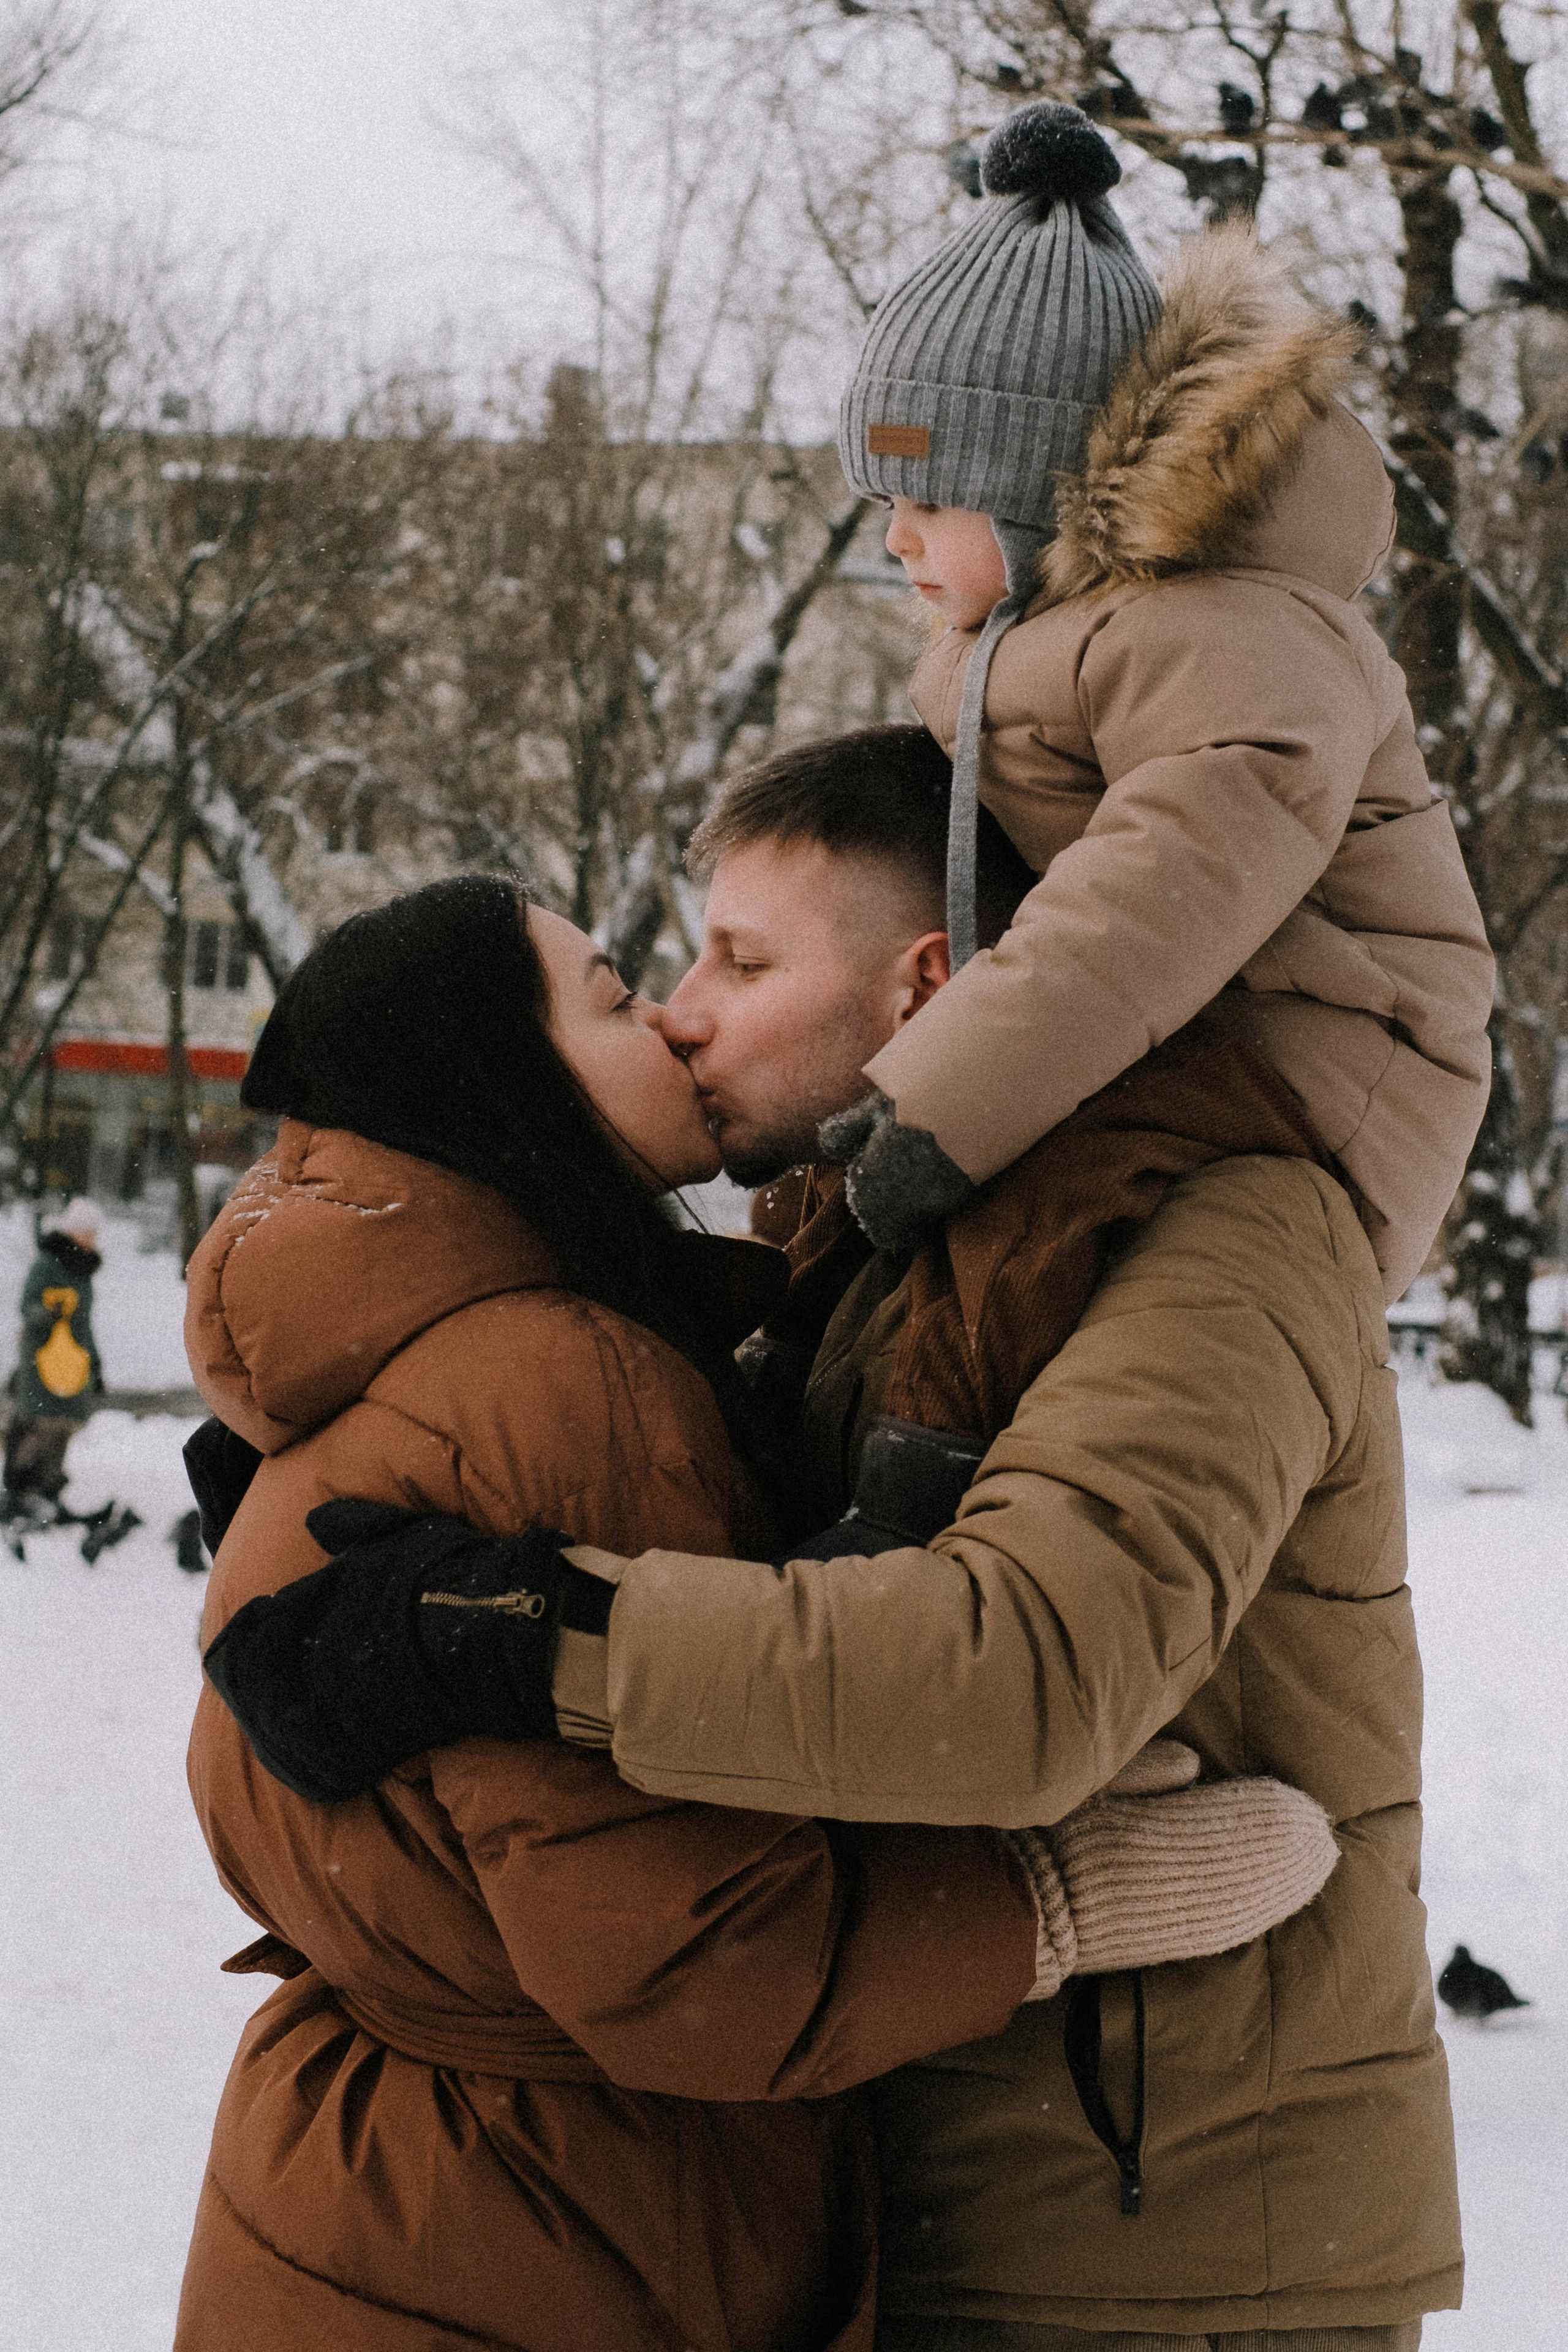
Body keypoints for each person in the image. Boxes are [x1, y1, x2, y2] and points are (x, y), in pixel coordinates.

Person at [206, 734, 1461, 2349]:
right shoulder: (868, 1250)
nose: (681, 1007)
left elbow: (1021, 1673)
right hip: (920, 2179)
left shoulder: (1221, 1224)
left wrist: (521, 1632)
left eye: (738, 959)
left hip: (1162, 2239)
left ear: (923, 988)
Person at [821, 102, 1492, 1310]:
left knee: (1023, 1211)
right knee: (904, 1226)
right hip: (1190, 1042)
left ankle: (909, 1477)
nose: (896, 535)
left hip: (1328, 1067)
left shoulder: (1236, 636)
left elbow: (1155, 890)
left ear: (1036, 493)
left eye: (928, 496)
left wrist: (942, 1103)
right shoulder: (1041, 641)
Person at [4, 1194, 104, 1529]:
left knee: (63, 1424)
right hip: (40, 1357)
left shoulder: (84, 1271)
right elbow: (27, 1306)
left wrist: (96, 1363)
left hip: (73, 1359)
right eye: (86, 1233)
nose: (91, 1239)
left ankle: (48, 1490)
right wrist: (47, 1314)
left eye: (94, 1234)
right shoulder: (47, 1264)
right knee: (38, 1423)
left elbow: (85, 1323)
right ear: (73, 1232)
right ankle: (22, 1490)